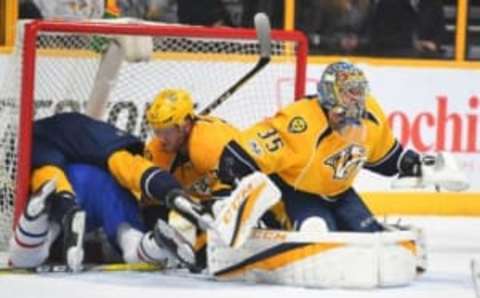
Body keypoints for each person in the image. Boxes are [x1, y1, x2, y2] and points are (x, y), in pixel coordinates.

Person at [216, 61, 429, 233]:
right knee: (316, 231)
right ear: (330, 95)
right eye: (349, 93)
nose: (358, 100)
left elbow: (386, 159)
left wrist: (408, 163)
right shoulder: (299, 122)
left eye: (359, 92)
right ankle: (279, 221)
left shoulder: (370, 116)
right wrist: (234, 193)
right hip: (296, 194)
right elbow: (237, 158)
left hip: (341, 194)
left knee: (371, 236)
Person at [9, 112, 198, 271]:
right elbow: (132, 169)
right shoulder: (105, 143)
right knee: (128, 235)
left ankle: (33, 228)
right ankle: (153, 244)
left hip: (64, 185)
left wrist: (65, 201)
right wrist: (171, 190)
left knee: (47, 226)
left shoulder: (37, 144)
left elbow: (48, 174)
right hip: (108, 187)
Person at [9, 164, 187, 271]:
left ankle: (33, 223)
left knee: (44, 235)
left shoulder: (48, 153)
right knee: (127, 235)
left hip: (62, 180)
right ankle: (154, 244)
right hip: (107, 182)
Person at [295, 0, 375, 55]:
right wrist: (337, 42)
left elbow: (370, 37)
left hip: (358, 59)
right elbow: (308, 36)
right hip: (325, 56)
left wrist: (357, 42)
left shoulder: (367, 6)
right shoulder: (322, 4)